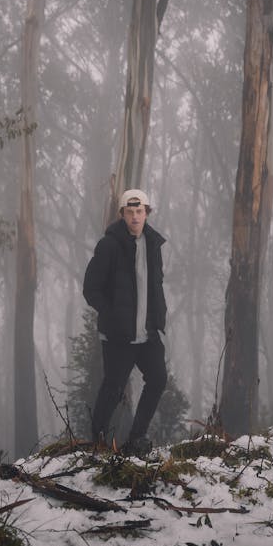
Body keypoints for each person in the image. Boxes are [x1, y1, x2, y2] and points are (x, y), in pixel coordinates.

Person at [83, 188, 168, 457]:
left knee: (157, 379)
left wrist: (157, 318)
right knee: (114, 387)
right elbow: (91, 288)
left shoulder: (154, 244)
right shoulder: (109, 245)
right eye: (129, 212)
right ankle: (96, 442)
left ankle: (136, 439)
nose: (134, 217)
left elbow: (155, 284)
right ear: (122, 214)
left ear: (147, 213)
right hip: (119, 336)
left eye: (139, 212)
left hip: (147, 334)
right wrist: (112, 317)